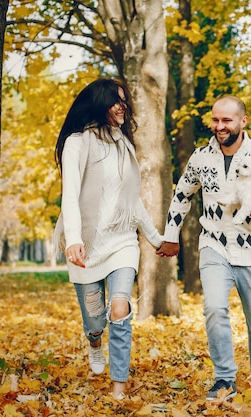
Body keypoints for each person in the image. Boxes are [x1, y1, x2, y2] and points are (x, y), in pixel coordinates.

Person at [156, 96, 251, 400]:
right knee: (213, 308)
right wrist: (171, 234)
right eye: (215, 120)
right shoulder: (200, 157)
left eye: (226, 121)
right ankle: (224, 379)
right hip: (214, 246)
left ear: (242, 121)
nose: (219, 126)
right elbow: (181, 196)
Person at [53, 78, 163, 400]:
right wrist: (73, 239)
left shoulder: (124, 145)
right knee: (95, 319)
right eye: (115, 100)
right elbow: (70, 195)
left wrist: (156, 239)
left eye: (124, 100)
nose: (122, 106)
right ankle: (94, 341)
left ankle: (118, 386)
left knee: (119, 308)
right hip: (86, 244)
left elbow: (134, 202)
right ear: (98, 103)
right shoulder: (77, 143)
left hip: (122, 242)